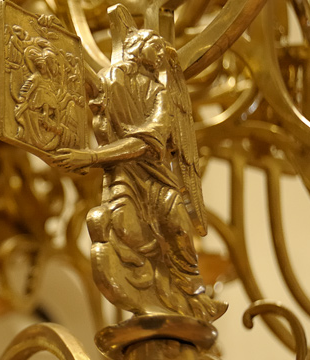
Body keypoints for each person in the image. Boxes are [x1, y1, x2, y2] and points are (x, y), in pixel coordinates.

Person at [51, 29, 226, 322]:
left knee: (179, 226)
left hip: (156, 178)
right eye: (154, 45)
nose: (160, 53)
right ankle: (154, 284)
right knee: (124, 227)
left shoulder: (160, 94)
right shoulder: (112, 79)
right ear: (136, 46)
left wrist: (91, 157)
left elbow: (147, 143)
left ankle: (192, 292)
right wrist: (54, 39)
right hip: (124, 178)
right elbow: (91, 83)